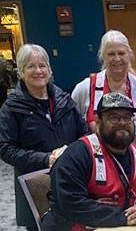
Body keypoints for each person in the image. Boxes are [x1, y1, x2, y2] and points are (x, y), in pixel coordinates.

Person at [42, 92, 136, 230]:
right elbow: (70, 204)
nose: (122, 123)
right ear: (98, 121)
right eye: (114, 117)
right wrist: (124, 217)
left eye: (127, 117)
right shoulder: (77, 154)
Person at [0, 44, 88, 231]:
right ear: (21, 72)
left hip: (70, 179)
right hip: (34, 185)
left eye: (42, 65)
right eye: (31, 66)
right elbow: (5, 149)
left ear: (50, 69)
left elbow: (84, 134)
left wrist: (72, 154)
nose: (38, 71)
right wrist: (46, 159)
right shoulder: (11, 108)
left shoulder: (65, 100)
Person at [72, 30, 136, 167]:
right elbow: (72, 132)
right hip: (98, 169)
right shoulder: (84, 89)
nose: (117, 59)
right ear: (102, 57)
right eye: (111, 54)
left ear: (129, 55)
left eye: (121, 53)